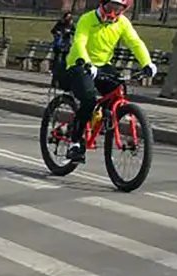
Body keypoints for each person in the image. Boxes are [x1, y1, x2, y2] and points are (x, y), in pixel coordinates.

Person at [63, 0, 156, 163]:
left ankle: (104, 118)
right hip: (80, 64)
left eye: (118, 9)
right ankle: (75, 143)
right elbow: (79, 42)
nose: (113, 13)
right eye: (110, 7)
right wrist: (87, 63)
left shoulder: (123, 23)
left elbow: (135, 43)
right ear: (103, 4)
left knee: (119, 89)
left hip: (103, 64)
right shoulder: (87, 19)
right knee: (88, 99)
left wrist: (147, 63)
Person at [50, 11, 76, 88]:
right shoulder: (60, 23)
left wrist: (69, 32)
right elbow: (53, 31)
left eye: (69, 17)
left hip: (66, 44)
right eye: (67, 17)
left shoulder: (71, 24)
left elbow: (75, 32)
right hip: (59, 45)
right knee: (57, 62)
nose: (68, 18)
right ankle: (54, 80)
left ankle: (61, 81)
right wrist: (57, 32)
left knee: (64, 62)